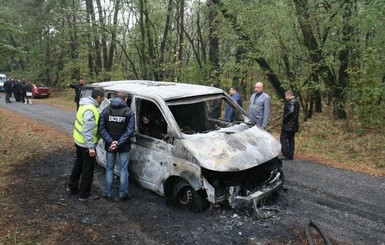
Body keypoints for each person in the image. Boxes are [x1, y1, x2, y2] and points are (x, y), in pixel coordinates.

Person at [67, 87, 106, 201]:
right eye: (103, 98)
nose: (103, 100)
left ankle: (72, 186)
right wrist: (91, 147)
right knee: (88, 169)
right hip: (85, 144)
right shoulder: (90, 109)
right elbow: (87, 130)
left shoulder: (84, 104)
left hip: (78, 141)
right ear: (98, 97)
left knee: (78, 165)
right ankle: (84, 194)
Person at [99, 91, 135, 201]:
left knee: (109, 169)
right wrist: (118, 142)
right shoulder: (129, 111)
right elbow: (130, 131)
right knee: (124, 170)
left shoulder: (106, 110)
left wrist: (111, 142)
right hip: (124, 146)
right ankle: (123, 194)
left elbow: (101, 128)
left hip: (110, 146)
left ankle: (108, 194)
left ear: (115, 98)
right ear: (125, 99)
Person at [280, 90, 300, 160]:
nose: (285, 98)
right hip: (294, 125)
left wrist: (285, 117)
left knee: (283, 139)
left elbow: (290, 111)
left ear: (289, 95)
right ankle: (291, 155)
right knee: (291, 139)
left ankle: (285, 154)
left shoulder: (291, 102)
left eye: (286, 96)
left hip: (288, 124)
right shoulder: (296, 102)